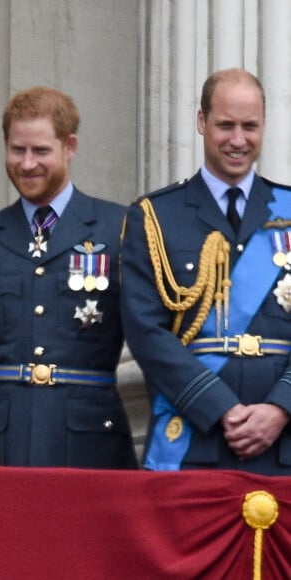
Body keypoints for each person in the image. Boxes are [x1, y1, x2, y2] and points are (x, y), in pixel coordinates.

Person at [0, 86, 137, 468]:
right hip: (4, 442)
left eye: (40, 151)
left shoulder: (119, 229)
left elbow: (146, 333)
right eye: (18, 149)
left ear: (70, 146)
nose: (27, 163)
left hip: (90, 440)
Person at [121, 68, 291, 475]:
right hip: (195, 441)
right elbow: (145, 330)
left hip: (284, 443)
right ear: (201, 122)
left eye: (249, 126)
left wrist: (280, 407)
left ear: (264, 126)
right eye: (225, 125)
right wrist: (220, 407)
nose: (238, 140)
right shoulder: (156, 216)